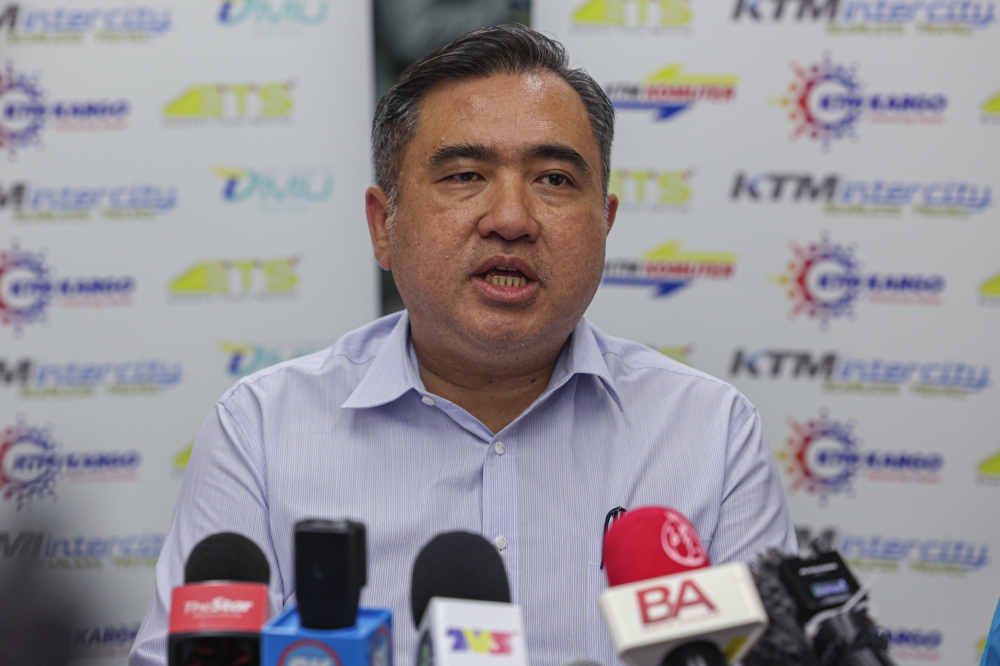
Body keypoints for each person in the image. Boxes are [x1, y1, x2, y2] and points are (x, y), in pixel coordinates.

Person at [130, 25, 795, 666]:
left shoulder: (710, 433)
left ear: (605, 223)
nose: (511, 219)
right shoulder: (263, 433)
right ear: (382, 226)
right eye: (464, 176)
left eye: (555, 180)